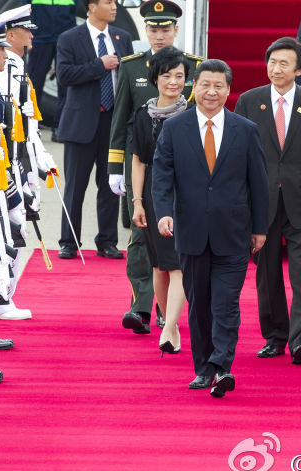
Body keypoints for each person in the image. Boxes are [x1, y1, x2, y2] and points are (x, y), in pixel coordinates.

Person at [151, 59, 269, 398]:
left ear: (228, 90)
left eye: (219, 86)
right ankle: (203, 369)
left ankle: (221, 366)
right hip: (190, 231)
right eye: (205, 85)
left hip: (233, 232)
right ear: (194, 87)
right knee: (199, 305)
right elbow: (162, 175)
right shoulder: (175, 128)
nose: (211, 92)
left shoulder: (245, 129)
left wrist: (260, 227)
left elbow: (258, 183)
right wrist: (163, 213)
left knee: (225, 304)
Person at [108, 0, 203, 337]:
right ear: (145, 30)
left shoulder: (195, 67)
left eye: (165, 29)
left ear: (176, 30)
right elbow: (121, 119)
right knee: (140, 238)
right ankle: (142, 307)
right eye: (153, 28)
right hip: (142, 166)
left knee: (175, 243)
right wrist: (115, 167)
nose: (159, 34)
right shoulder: (132, 66)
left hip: (183, 172)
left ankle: (167, 310)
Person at [234, 37, 301, 365]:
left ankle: (299, 339)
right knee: (267, 274)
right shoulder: (249, 101)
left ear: (298, 70)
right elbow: (238, 156)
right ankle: (275, 336)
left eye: (284, 63)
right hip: (262, 202)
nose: (276, 69)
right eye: (272, 62)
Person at [56, 0, 133, 260]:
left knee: (111, 184)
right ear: (92, 6)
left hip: (113, 122)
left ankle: (107, 241)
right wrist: (99, 65)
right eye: (108, 2)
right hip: (81, 123)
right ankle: (69, 241)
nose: (114, 7)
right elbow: (64, 75)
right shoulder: (70, 38)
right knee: (75, 187)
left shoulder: (122, 37)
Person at [130, 47, 189, 354]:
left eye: (180, 76)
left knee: (178, 264)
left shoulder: (193, 115)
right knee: (159, 266)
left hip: (187, 194)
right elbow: (138, 161)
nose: (173, 82)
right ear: (155, 78)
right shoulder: (143, 115)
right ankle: (170, 322)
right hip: (155, 194)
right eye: (167, 76)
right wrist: (137, 201)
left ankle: (168, 327)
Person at [25, 0, 77, 142]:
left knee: (65, 85)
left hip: (65, 35)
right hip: (40, 35)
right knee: (33, 84)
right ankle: (31, 127)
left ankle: (60, 127)